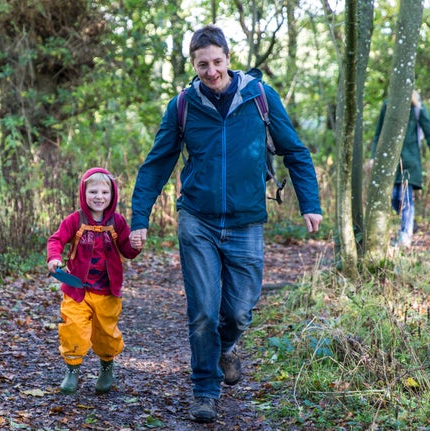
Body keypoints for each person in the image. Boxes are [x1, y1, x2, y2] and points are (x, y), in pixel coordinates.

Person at [128, 25, 322, 423]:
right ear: (193, 65)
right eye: (203, 65)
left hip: (246, 221)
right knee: (202, 310)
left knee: (239, 312)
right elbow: (156, 164)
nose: (211, 71)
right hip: (196, 219)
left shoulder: (259, 97)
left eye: (217, 62)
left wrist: (310, 203)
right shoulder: (182, 106)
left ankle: (225, 346)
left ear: (228, 59)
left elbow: (295, 151)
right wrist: (139, 217)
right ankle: (205, 391)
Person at [46, 167, 141, 395]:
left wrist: (135, 245)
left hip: (107, 291)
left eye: (105, 192)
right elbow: (56, 239)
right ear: (83, 193)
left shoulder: (117, 223)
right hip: (77, 289)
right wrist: (54, 258)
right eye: (93, 192)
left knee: (106, 333)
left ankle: (107, 367)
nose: (99, 197)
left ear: (113, 195)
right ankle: (72, 371)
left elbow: (127, 250)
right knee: (73, 329)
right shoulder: (75, 220)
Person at [370, 90, 430, 247]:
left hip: (410, 163)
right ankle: (409, 225)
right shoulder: (387, 105)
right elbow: (378, 134)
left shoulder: (418, 109)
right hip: (389, 163)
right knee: (391, 198)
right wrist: (373, 157)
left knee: (405, 199)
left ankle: (405, 235)